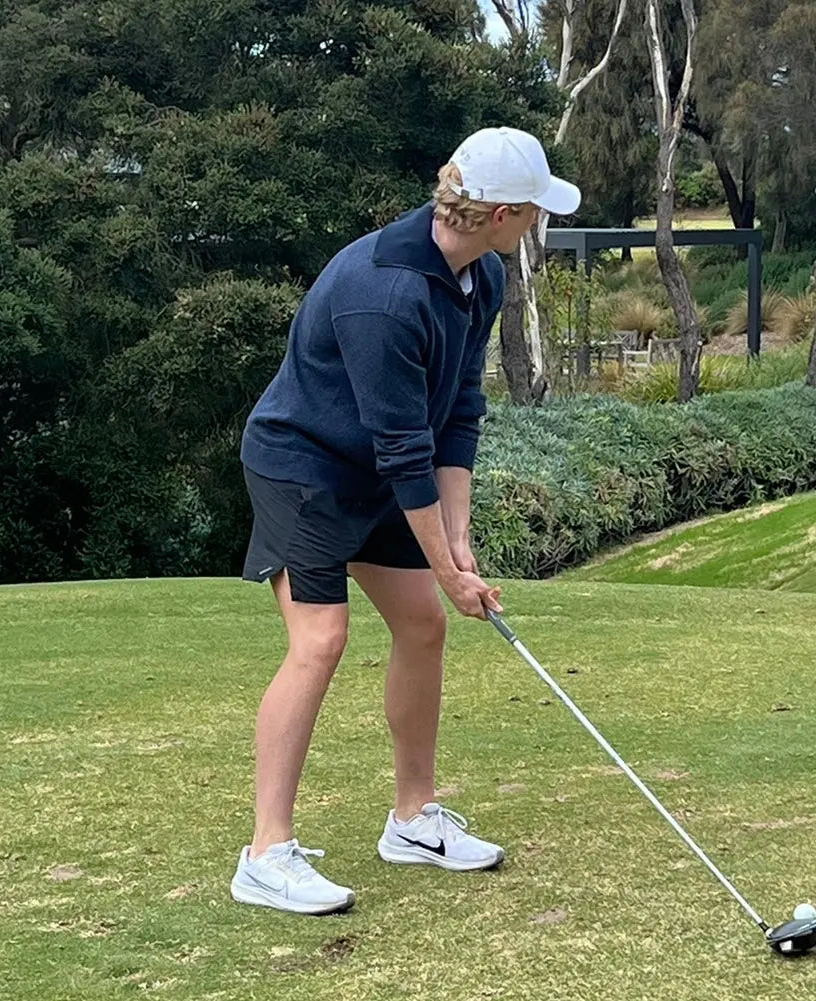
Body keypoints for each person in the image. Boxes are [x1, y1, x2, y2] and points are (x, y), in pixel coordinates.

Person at [230, 126, 581, 914]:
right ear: (500, 214)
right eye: (533, 210)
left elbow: (456, 410)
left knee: (423, 622)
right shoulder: (384, 294)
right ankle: (265, 853)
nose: (538, 224)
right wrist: (448, 566)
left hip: (381, 470)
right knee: (320, 639)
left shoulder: (481, 276)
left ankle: (413, 819)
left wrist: (457, 544)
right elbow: (401, 449)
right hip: (304, 469)